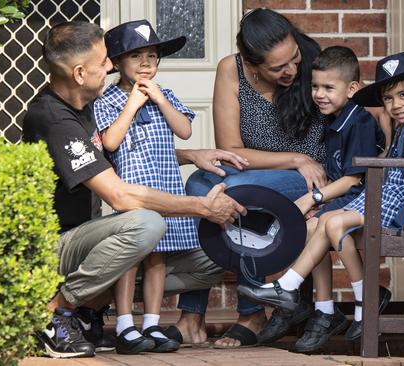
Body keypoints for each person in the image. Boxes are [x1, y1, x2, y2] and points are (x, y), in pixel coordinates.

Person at [22, 21, 246, 359]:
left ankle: (91, 311)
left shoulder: (81, 107)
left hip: (85, 239)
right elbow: (119, 196)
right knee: (146, 224)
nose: (111, 66)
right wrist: (200, 206)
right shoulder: (56, 119)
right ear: (80, 73)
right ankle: (55, 311)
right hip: (56, 247)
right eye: (104, 63)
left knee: (215, 255)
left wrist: (190, 156)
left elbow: (129, 150)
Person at [239, 51, 404, 342]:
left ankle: (316, 291)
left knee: (331, 223)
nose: (395, 105)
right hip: (383, 197)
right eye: (389, 98)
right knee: (325, 222)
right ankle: (320, 297)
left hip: (394, 204)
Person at [174, 8, 331, 349]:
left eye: (293, 58)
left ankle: (250, 312)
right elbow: (231, 149)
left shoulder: (315, 62)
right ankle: (192, 315)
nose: (292, 70)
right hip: (268, 168)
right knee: (199, 186)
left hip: (310, 178)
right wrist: (295, 157)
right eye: (278, 67)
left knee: (228, 192)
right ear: (251, 62)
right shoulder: (232, 69)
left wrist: (304, 161)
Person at [268, 45, 384, 353]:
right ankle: (324, 309)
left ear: (352, 88)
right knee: (306, 228)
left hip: (362, 201)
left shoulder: (358, 122)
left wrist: (312, 197)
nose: (319, 94)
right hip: (346, 199)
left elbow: (354, 178)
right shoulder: (335, 119)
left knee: (311, 225)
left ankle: (319, 305)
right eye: (316, 86)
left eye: (328, 88)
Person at [93, 19, 195, 353]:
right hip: (132, 191)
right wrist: (132, 104)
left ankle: (151, 322)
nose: (146, 63)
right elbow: (110, 141)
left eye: (152, 56)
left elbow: (185, 131)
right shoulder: (108, 100)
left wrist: (161, 101)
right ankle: (125, 325)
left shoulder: (166, 96)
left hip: (166, 190)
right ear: (118, 63)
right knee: (131, 257)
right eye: (136, 56)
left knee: (158, 258)